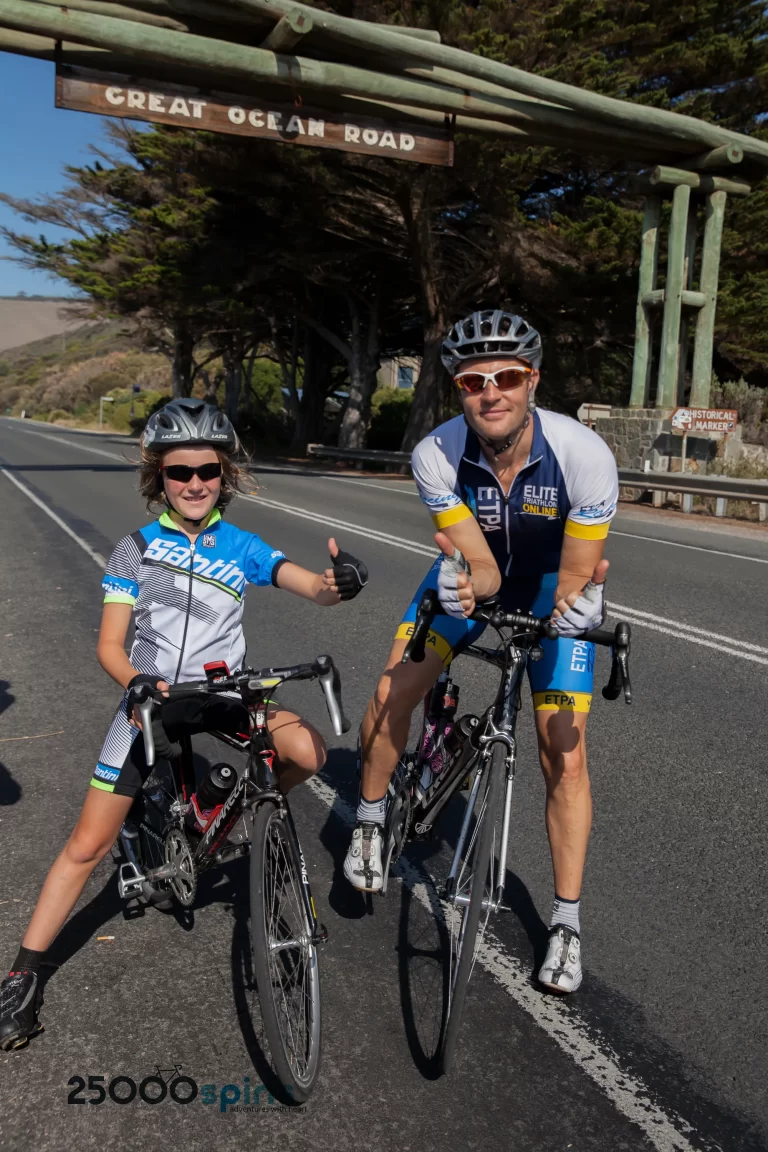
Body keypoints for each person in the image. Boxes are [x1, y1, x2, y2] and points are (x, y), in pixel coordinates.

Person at [0, 398, 368, 1050]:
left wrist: (337, 583)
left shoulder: (242, 546)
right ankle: (24, 974)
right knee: (87, 846)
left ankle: (223, 810)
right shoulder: (135, 550)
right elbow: (111, 646)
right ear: (158, 479)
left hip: (226, 693)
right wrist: (135, 682)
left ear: (223, 473)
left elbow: (306, 584)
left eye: (206, 470)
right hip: (150, 699)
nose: (194, 483)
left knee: (308, 751)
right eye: (179, 473)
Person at [343, 310, 618, 994]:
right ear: (458, 390)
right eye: (473, 380)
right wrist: (462, 585)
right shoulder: (437, 454)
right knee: (390, 691)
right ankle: (372, 820)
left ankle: (566, 921)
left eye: (508, 377)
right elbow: (483, 571)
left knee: (566, 749)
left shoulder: (583, 455)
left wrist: (578, 610)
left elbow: (580, 572)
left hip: (557, 584)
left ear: (533, 382)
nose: (490, 391)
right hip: (472, 574)